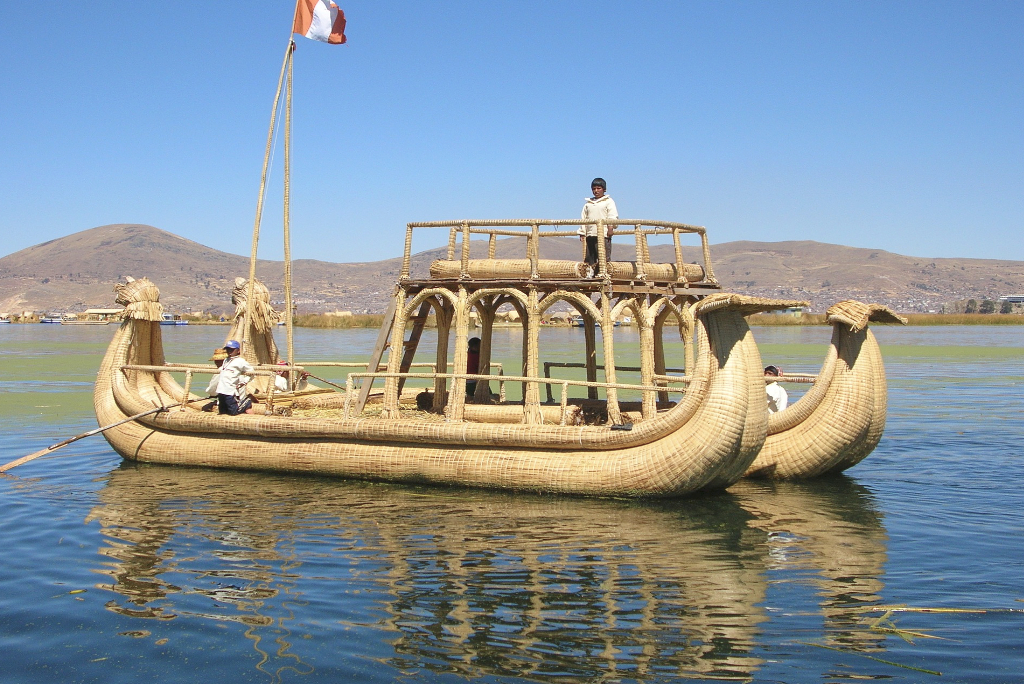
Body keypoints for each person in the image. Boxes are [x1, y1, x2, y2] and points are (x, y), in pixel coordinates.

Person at [578, 177, 618, 276]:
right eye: (594, 189)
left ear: (604, 189)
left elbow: (612, 215)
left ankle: (603, 273)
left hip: (603, 234)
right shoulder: (588, 204)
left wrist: (610, 228)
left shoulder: (608, 201)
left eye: (598, 188)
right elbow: (584, 218)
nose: (596, 191)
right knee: (590, 256)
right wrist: (582, 233)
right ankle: (590, 274)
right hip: (591, 234)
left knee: (603, 255)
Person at [216, 340, 255, 415]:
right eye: (227, 349)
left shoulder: (240, 361)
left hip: (230, 391)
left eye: (231, 349)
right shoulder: (226, 360)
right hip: (221, 391)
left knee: (233, 412)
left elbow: (252, 372)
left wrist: (244, 381)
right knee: (223, 412)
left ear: (238, 351)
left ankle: (246, 402)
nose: (229, 351)